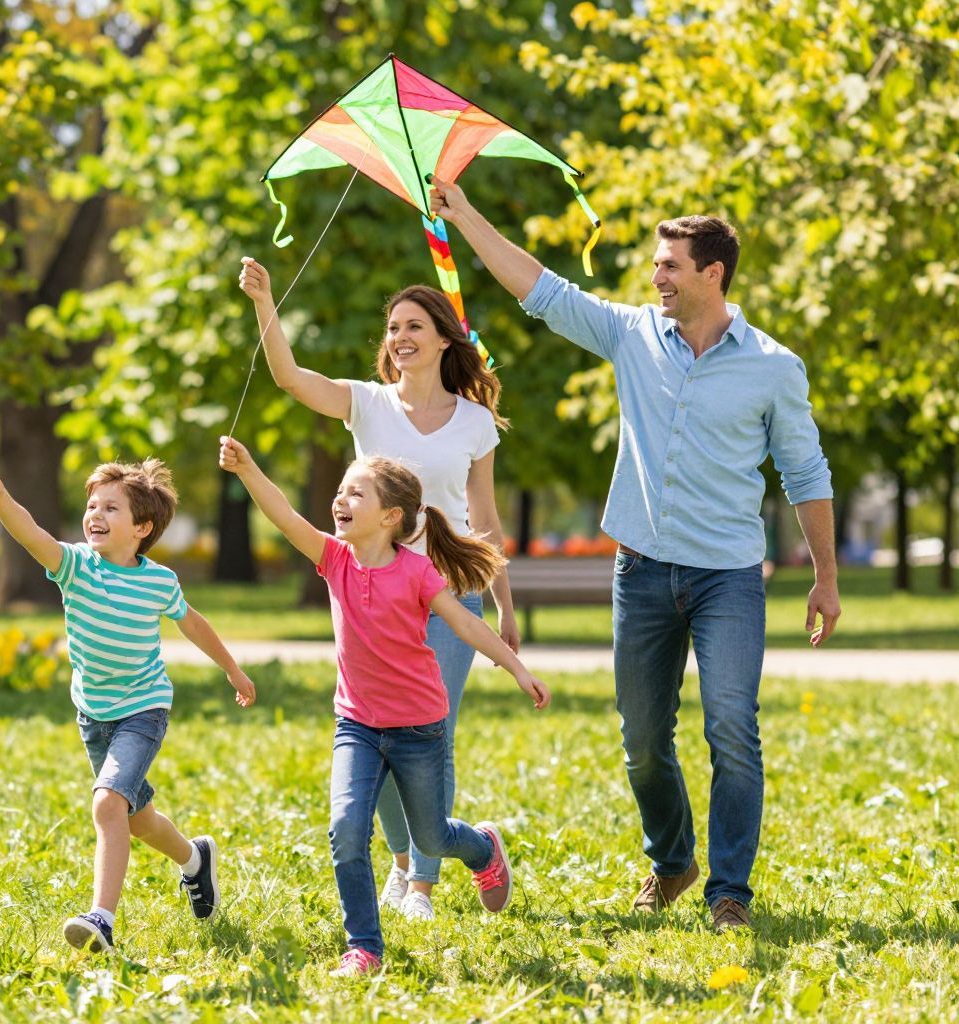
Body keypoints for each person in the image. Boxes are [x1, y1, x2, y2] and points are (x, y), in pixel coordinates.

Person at [428, 182, 841, 932]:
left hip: (728, 577)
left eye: (670, 266)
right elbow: (541, 290)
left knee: (731, 728)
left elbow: (806, 474)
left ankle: (729, 893)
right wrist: (464, 216)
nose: (656, 278)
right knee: (644, 741)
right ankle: (672, 858)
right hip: (644, 570)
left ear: (713, 273)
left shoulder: (775, 368)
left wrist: (826, 577)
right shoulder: (631, 334)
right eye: (657, 265)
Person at [238, 258, 519, 922]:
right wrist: (264, 301)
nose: (400, 337)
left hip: (447, 594)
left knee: (431, 734)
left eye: (415, 326)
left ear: (445, 338)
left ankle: (421, 881)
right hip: (371, 598)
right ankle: (404, 859)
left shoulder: (475, 422)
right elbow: (288, 377)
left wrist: (506, 605)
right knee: (377, 733)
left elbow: (486, 519)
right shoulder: (367, 401)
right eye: (393, 328)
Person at [217, 436, 548, 977]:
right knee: (346, 830)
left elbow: (465, 623)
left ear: (392, 516)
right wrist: (249, 468)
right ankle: (364, 946)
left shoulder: (416, 572)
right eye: (341, 490)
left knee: (432, 837)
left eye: (356, 493)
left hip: (420, 728)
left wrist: (517, 668)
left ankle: (483, 849)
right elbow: (282, 515)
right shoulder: (333, 558)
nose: (340, 500)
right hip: (357, 725)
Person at [0, 459, 257, 954]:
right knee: (134, 818)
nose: (94, 515)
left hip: (144, 708)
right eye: (91, 506)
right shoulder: (74, 565)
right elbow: (31, 534)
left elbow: (193, 624)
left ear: (142, 528)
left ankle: (101, 919)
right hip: (93, 714)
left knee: (107, 803)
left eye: (110, 507)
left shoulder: (158, 581)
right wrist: (2, 501)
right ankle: (194, 859)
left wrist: (232, 668)